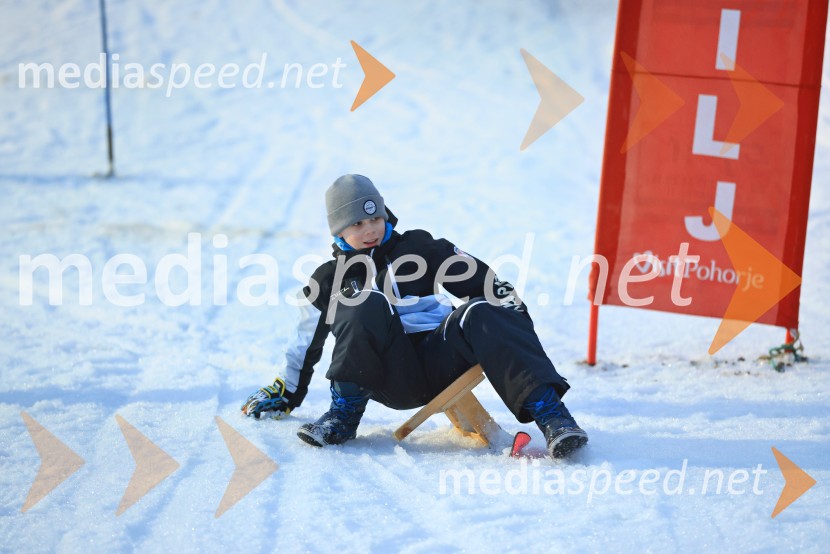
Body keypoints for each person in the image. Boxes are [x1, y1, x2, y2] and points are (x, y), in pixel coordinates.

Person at [242, 174, 588, 458]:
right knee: (366, 301)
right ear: (338, 230)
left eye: (376, 217)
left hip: (442, 357)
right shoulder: (328, 279)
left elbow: (488, 285)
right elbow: (304, 341)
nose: (370, 229)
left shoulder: (419, 248)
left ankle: (552, 417)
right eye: (357, 223)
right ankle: (342, 416)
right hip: (387, 375)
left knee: (484, 308)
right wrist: (286, 393)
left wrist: (514, 328)